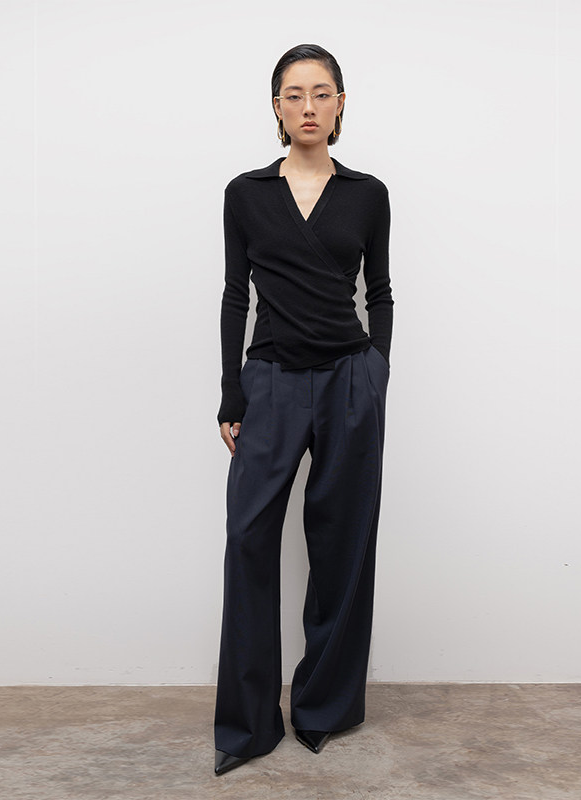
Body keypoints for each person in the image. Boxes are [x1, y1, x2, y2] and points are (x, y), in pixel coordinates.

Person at [213, 43, 394, 776]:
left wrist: (377, 371)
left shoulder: (368, 194)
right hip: (272, 382)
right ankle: (248, 725)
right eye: (295, 94)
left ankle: (324, 709)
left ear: (340, 104)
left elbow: (380, 292)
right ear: (277, 107)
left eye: (322, 93)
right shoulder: (246, 192)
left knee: (343, 543)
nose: (309, 106)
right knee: (249, 540)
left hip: (349, 380)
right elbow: (236, 294)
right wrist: (231, 390)